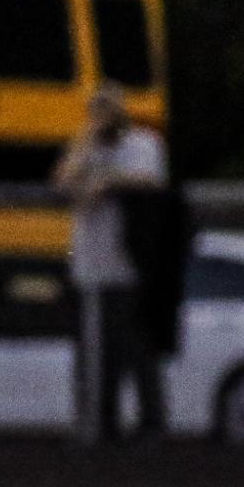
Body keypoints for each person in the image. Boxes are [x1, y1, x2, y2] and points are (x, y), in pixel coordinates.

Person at [53, 82, 170, 441]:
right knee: (92, 353)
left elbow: (150, 180)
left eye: (108, 111)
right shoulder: (88, 147)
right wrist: (86, 140)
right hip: (90, 269)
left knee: (136, 349)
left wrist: (107, 180)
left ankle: (152, 425)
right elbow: (63, 182)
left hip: (130, 268)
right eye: (97, 112)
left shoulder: (141, 143)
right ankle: (100, 424)